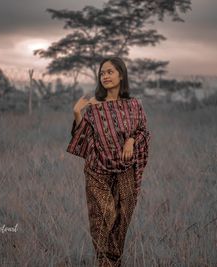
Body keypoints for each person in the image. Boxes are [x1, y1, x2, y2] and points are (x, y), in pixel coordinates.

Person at [66, 56, 150, 267]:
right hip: (98, 169)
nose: (105, 76)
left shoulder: (134, 105)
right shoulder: (94, 105)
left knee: (122, 217)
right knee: (105, 215)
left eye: (110, 72)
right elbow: (83, 138)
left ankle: (114, 262)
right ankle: (104, 262)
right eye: (102, 73)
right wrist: (77, 113)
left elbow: (142, 131)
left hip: (126, 169)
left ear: (121, 75)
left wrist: (130, 140)